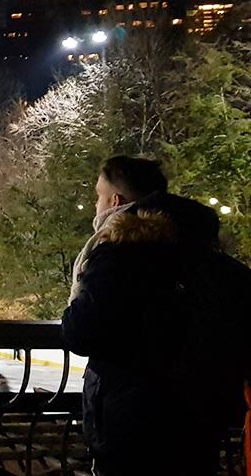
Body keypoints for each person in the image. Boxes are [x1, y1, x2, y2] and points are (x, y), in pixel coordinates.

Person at [62, 156, 251, 475]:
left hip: (131, 423)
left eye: (98, 196)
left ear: (115, 201)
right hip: (202, 420)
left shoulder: (117, 254)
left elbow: (80, 331)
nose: (96, 206)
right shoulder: (210, 257)